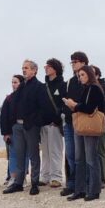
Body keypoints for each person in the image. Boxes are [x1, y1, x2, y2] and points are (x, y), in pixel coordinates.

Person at [63, 65, 105, 202]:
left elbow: (90, 108)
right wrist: (74, 105)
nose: (80, 77)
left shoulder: (95, 88)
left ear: (89, 75)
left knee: (91, 159)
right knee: (79, 158)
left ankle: (94, 190)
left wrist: (74, 105)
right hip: (82, 126)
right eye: (79, 75)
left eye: (82, 75)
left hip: (90, 126)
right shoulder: (86, 88)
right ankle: (80, 189)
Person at [4, 60, 46, 195]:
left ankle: (34, 183)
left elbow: (42, 108)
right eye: (23, 68)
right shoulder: (21, 86)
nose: (24, 70)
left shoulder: (39, 87)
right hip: (17, 126)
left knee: (33, 155)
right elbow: (13, 104)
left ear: (34, 70)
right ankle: (18, 183)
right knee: (19, 154)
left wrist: (34, 122)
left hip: (31, 126)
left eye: (26, 68)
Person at [61, 51, 88, 196]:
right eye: (72, 62)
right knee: (70, 154)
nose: (73, 64)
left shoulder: (87, 81)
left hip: (82, 122)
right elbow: (64, 100)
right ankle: (72, 183)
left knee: (81, 155)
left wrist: (75, 105)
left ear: (84, 62)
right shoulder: (70, 82)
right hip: (69, 122)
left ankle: (82, 184)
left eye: (75, 61)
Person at [39, 58, 66, 188]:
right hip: (43, 123)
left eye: (48, 66)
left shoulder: (62, 85)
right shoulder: (43, 86)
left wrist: (58, 119)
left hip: (55, 124)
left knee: (55, 151)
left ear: (55, 68)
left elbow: (64, 104)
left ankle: (56, 177)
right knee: (45, 152)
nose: (46, 68)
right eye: (46, 66)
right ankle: (45, 176)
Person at [0, 75, 25, 185]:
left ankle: (22, 178)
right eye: (12, 82)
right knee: (13, 154)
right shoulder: (9, 98)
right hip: (12, 131)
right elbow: (3, 117)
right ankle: (13, 177)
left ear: (21, 83)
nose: (13, 84)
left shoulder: (26, 96)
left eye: (16, 82)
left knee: (25, 155)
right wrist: (5, 133)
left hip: (26, 129)